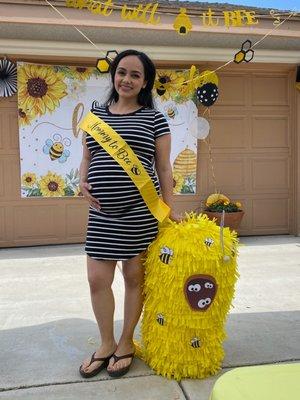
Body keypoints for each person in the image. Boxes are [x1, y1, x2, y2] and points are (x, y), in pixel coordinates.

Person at [79, 49, 178, 379]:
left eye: (136, 75)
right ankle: (105, 343)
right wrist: (81, 179)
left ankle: (125, 343)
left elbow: (164, 167)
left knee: (134, 279)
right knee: (97, 281)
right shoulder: (95, 116)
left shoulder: (153, 118)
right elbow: (87, 156)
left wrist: (166, 209)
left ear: (145, 81)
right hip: (103, 213)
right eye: (123, 72)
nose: (127, 79)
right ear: (114, 75)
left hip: (140, 214)